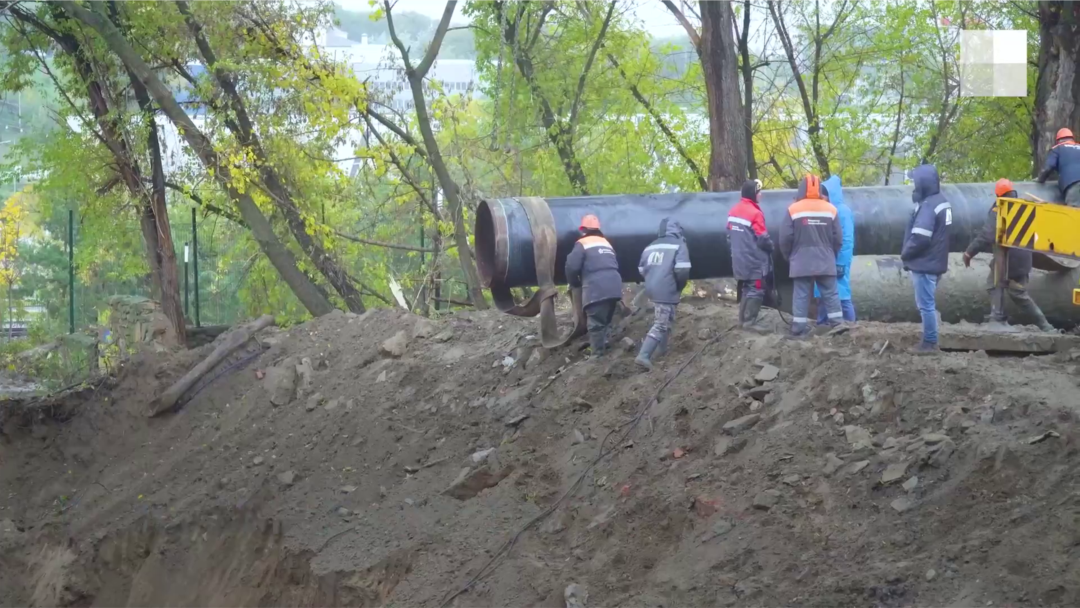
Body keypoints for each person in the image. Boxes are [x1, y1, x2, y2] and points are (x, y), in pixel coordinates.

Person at [963, 178, 1056, 332]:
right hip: (1025, 259)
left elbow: (988, 234)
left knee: (1009, 290)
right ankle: (1000, 318)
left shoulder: (1000, 208)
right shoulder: (1023, 205)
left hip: (1007, 260)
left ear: (998, 195)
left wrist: (969, 252)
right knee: (1009, 289)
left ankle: (1002, 319)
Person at [779, 174, 843, 337]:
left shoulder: (793, 209)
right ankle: (838, 325)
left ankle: (798, 329)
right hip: (826, 259)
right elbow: (838, 238)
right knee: (830, 292)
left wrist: (789, 256)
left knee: (801, 294)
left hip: (801, 261)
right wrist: (832, 254)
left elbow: (785, 237)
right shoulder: (831, 209)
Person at [901, 164, 951, 353]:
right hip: (935, 262)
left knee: (926, 305)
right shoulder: (942, 201)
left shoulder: (929, 206)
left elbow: (921, 237)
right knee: (928, 304)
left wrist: (906, 254)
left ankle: (930, 342)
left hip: (925, 264)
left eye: (915, 182)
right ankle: (930, 339)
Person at [634, 218, 691, 370]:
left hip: (653, 288)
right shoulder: (679, 245)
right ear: (677, 230)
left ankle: (662, 351)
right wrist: (679, 286)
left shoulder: (650, 246)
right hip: (667, 288)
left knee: (667, 319)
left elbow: (641, 269)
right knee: (661, 323)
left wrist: (653, 279)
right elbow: (683, 269)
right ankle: (643, 355)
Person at [565, 214, 622, 356]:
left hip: (597, 287)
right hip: (614, 285)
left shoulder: (582, 243)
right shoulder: (606, 243)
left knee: (595, 322)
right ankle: (605, 345)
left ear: (583, 229)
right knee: (606, 318)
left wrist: (574, 283)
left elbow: (571, 266)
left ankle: (597, 356)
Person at [727, 179, 773, 333]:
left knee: (747, 288)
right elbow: (762, 238)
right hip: (754, 261)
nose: (761, 195)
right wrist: (771, 247)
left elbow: (728, 236)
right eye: (759, 192)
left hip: (739, 260)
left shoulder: (733, 211)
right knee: (757, 288)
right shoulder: (755, 213)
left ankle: (742, 320)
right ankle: (749, 322)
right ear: (753, 194)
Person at [815, 175, 856, 323]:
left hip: (838, 259)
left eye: (824, 194)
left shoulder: (842, 211)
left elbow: (846, 240)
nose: (821, 197)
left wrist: (841, 262)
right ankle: (823, 322)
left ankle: (850, 324)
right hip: (829, 258)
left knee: (842, 294)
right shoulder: (831, 210)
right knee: (823, 292)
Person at [1036, 128, 1080, 207]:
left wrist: (1040, 179)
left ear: (1058, 140)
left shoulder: (1057, 149)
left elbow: (1048, 167)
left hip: (1074, 185)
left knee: (1074, 216)